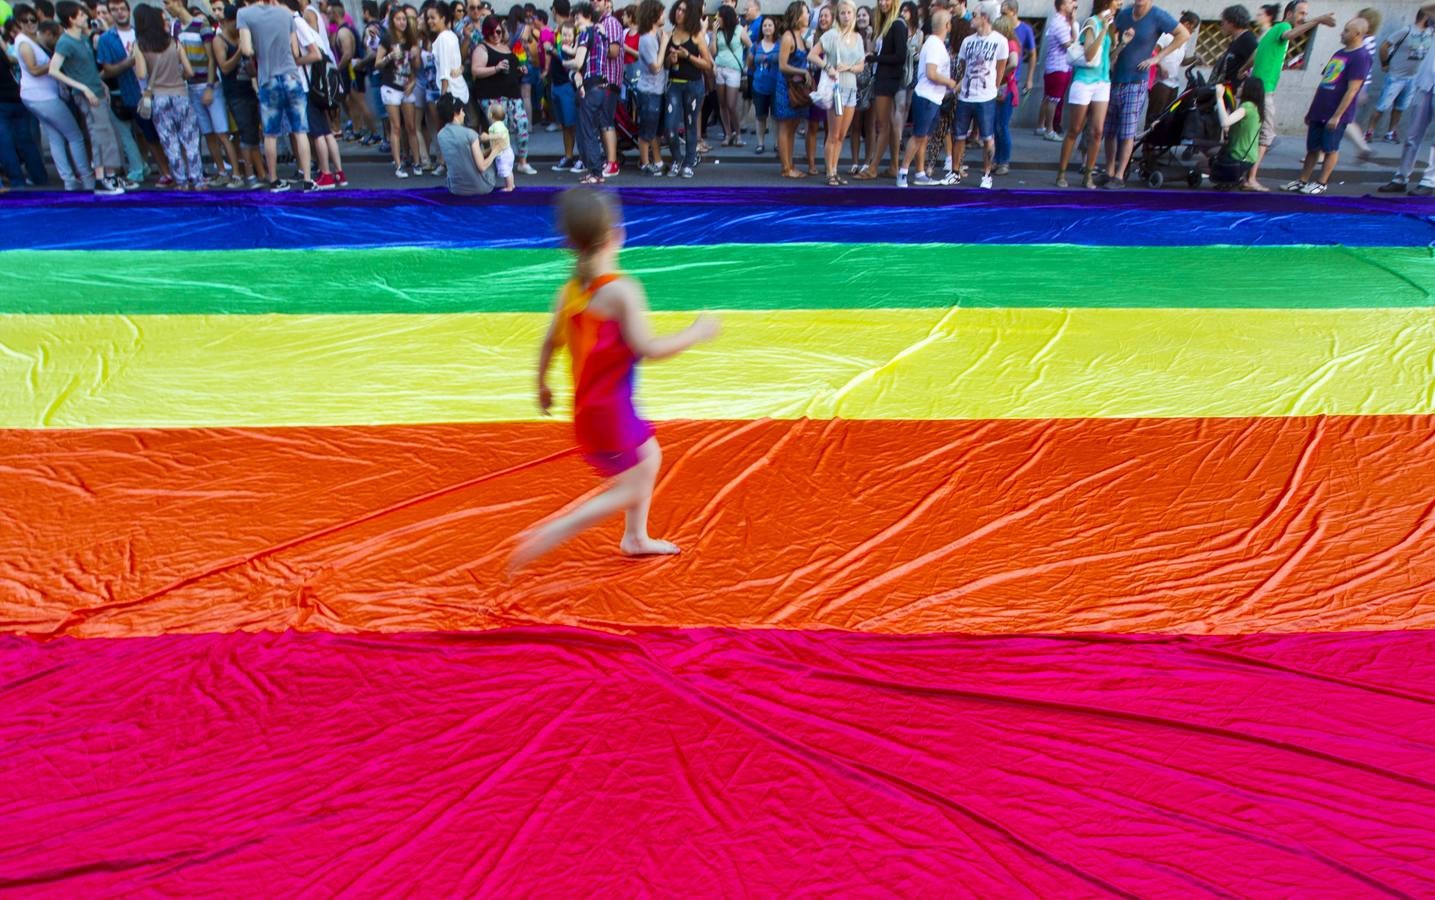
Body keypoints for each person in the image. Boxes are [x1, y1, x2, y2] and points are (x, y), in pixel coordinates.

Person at [510, 187, 720, 572]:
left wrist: (541, 387)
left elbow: (548, 344)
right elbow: (648, 348)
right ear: (616, 235)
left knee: (650, 456)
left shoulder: (570, 292)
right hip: (610, 411)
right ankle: (558, 530)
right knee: (632, 485)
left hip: (590, 409)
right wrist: (697, 332)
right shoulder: (621, 292)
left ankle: (634, 537)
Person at [1244, 0, 1334, 190]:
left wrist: (1243, 69)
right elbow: (1290, 34)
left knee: (1252, 132)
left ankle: (1245, 175)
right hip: (1264, 90)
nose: (1303, 18)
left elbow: (1257, 52)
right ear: (1289, 13)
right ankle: (1250, 179)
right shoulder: (1283, 27)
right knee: (1266, 136)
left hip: (1256, 87)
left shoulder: (1274, 31)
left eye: (1306, 14)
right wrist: (1318, 20)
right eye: (1301, 13)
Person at [1101, 0, 1189, 188]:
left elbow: (1183, 34)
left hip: (1137, 80)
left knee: (1127, 131)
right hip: (1116, 78)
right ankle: (1109, 171)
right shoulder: (1124, 14)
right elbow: (1112, 34)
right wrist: (1115, 47)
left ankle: (1119, 174)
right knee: (1109, 129)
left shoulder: (1157, 15)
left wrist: (1157, 58)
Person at [1283, 15, 1369, 194]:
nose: (1342, 33)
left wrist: (1337, 116)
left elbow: (1352, 90)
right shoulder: (1339, 54)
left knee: (1330, 148)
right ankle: (1303, 180)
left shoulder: (1361, 57)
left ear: (1357, 33)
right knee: (1312, 147)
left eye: (1346, 31)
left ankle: (1322, 182)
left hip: (1335, 113)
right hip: (1320, 109)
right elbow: (1325, 82)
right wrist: (1312, 110)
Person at [49, 0, 129, 193]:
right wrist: (82, 88)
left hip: (97, 91)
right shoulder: (65, 42)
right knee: (99, 135)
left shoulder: (82, 38)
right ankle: (101, 179)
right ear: (71, 18)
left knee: (108, 135)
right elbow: (54, 70)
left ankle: (110, 175)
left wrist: (100, 83)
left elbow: (88, 67)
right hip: (87, 95)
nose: (86, 17)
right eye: (81, 14)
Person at [238, 0, 316, 191]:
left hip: (268, 78)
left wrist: (260, 46)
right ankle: (307, 179)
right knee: (300, 130)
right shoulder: (285, 13)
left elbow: (247, 49)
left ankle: (273, 179)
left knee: (270, 133)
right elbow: (295, 50)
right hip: (290, 74)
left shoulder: (244, 14)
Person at [166, 0, 242, 186]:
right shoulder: (176, 28)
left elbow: (211, 59)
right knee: (208, 134)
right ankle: (222, 171)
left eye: (168, 3)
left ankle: (237, 174)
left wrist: (209, 86)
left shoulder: (202, 25)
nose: (166, 7)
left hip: (210, 86)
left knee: (222, 133)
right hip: (191, 87)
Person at [15, 9, 91, 190]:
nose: (30, 23)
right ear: (18, 23)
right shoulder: (24, 43)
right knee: (75, 136)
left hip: (38, 96)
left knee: (56, 137)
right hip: (42, 97)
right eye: (25, 21)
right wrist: (54, 63)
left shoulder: (30, 40)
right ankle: (87, 178)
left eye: (33, 20)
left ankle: (69, 181)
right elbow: (33, 70)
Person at [133, 2, 206, 188]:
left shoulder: (140, 45)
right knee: (190, 139)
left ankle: (181, 181)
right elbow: (189, 71)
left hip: (159, 97)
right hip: (181, 94)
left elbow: (141, 74)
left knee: (170, 142)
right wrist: (177, 74)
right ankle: (197, 179)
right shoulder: (174, 42)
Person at [1055, 0, 1114, 187]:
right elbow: (1089, 55)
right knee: (1075, 129)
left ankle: (1088, 174)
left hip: (1103, 82)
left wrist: (1122, 44)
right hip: (1084, 81)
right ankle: (1061, 173)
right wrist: (1103, 30)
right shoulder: (1092, 23)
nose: (1120, 2)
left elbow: (1108, 57)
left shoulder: (1111, 24)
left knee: (1097, 132)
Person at [1378, 3, 1435, 193]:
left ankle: (1429, 181)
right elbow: (1426, 7)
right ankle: (1401, 177)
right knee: (1412, 135)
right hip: (1426, 83)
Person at [897, 7, 954, 185]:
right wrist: (951, 83)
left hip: (932, 98)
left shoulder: (933, 43)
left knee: (924, 136)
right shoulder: (935, 45)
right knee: (919, 136)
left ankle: (920, 173)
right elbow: (931, 73)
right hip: (927, 97)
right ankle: (903, 173)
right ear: (947, 25)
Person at [950, 0, 1005, 188]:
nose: (971, 18)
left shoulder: (999, 41)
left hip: (986, 96)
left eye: (975, 15)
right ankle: (955, 172)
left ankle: (987, 174)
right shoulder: (967, 41)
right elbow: (964, 68)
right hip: (966, 95)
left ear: (985, 18)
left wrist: (993, 89)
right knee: (959, 135)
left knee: (987, 137)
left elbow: (1001, 68)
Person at [660, 0, 711, 177]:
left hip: (693, 85)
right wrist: (670, 60)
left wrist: (687, 55)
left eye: (683, 10)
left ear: (689, 14)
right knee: (670, 126)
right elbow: (665, 65)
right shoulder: (669, 34)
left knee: (690, 124)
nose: (679, 12)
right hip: (674, 84)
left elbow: (708, 64)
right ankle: (676, 159)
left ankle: (688, 162)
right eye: (678, 9)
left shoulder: (696, 35)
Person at [215, 4, 263, 186]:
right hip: (234, 94)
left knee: (253, 133)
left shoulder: (241, 37)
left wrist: (252, 68)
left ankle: (260, 173)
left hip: (248, 90)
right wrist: (238, 52)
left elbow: (250, 70)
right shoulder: (219, 40)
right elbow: (225, 67)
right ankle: (249, 175)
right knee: (245, 134)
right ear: (229, 21)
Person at [814, 0, 862, 184]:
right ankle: (829, 172)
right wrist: (828, 67)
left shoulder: (857, 38)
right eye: (842, 13)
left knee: (842, 135)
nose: (846, 16)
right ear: (838, 15)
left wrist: (848, 67)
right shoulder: (831, 35)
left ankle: (835, 169)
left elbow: (861, 66)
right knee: (833, 134)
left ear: (853, 14)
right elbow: (813, 54)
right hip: (836, 89)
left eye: (849, 12)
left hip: (852, 88)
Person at [1367, 7, 1431, 143]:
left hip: (1413, 77)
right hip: (1395, 76)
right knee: (1382, 106)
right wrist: (1384, 64)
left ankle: (1391, 132)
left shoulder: (1430, 33)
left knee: (1400, 107)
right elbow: (1384, 46)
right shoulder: (1406, 31)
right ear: (1426, 16)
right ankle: (1369, 131)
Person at [0, 18, 48, 188]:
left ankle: (17, 181)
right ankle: (39, 177)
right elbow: (11, 61)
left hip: (3, 103)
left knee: (5, 143)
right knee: (25, 139)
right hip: (16, 96)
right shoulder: (3, 52)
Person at [861, 0, 906, 174]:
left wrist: (874, 59)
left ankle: (873, 168)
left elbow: (900, 56)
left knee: (883, 126)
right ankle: (893, 166)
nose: (882, 3)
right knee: (891, 125)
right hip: (885, 78)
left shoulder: (897, 24)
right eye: (880, 0)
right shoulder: (886, 23)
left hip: (889, 80)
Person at [434, 90, 499, 192]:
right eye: (462, 111)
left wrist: (490, 149)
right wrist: (495, 151)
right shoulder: (470, 134)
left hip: (455, 189)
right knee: (492, 163)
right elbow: (482, 167)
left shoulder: (440, 135)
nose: (464, 114)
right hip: (481, 187)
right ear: (456, 113)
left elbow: (463, 157)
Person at [774, 0, 810, 177]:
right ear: (798, 15)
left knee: (792, 127)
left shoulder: (800, 36)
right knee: (785, 126)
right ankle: (785, 168)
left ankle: (790, 165)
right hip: (786, 87)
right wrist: (803, 71)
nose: (808, 15)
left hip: (796, 88)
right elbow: (782, 65)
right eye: (806, 12)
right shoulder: (789, 36)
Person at [1210, 74, 1262, 186]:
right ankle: (1231, 178)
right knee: (1214, 152)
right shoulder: (1255, 107)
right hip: (1248, 157)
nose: (1238, 88)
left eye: (1242, 87)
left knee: (1202, 164)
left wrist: (1219, 98)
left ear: (1248, 91)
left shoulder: (1247, 107)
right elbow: (1229, 127)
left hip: (1239, 157)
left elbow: (1225, 122)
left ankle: (1229, 178)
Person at [1147, 9, 1196, 124]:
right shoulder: (1166, 36)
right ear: (1187, 24)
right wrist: (1160, 66)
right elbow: (1152, 53)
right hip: (1160, 82)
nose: (1193, 31)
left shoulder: (1183, 41)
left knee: (1166, 117)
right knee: (1154, 115)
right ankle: (1147, 141)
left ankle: (1157, 141)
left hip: (1173, 84)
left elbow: (1183, 62)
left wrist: (1195, 58)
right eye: (1193, 27)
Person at [633, 0, 664, 173]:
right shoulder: (647, 39)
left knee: (653, 129)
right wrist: (665, 44)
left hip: (655, 90)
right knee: (646, 129)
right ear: (653, 15)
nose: (664, 16)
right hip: (649, 90)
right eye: (661, 13)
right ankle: (645, 163)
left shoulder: (653, 36)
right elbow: (655, 67)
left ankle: (655, 161)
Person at [1037, 0, 1077, 139]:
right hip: (1059, 66)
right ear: (1062, 5)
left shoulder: (1059, 21)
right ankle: (1049, 130)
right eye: (1070, 2)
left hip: (1055, 66)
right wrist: (1073, 26)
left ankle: (1041, 126)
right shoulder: (1060, 24)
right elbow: (1070, 45)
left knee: (1048, 97)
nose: (1073, 5)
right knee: (1054, 99)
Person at [711, 3, 748, 145]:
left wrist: (746, 64)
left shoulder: (739, 30)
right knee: (722, 104)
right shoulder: (718, 32)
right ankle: (728, 133)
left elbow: (750, 45)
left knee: (731, 104)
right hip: (720, 68)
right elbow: (712, 52)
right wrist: (714, 35)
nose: (717, 18)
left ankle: (738, 133)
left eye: (719, 16)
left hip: (734, 70)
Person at [991, 12, 1021, 175]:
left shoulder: (1010, 44)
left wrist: (1000, 75)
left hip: (1006, 88)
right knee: (997, 126)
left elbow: (1014, 62)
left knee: (1001, 126)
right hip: (1001, 87)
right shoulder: (1006, 43)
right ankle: (998, 159)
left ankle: (1004, 162)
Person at [749, 13, 777, 152]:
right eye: (765, 25)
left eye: (770, 25)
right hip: (759, 86)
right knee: (760, 116)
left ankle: (777, 144)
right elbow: (750, 64)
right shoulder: (755, 45)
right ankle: (760, 143)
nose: (767, 28)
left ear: (774, 27)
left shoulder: (780, 44)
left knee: (776, 117)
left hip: (776, 87)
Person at [1211, 4, 1256, 85]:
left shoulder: (1248, 40)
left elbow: (1257, 56)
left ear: (1232, 22)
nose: (1221, 25)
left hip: (1236, 93)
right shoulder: (1236, 40)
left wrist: (1243, 70)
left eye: (1223, 22)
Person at [481, 97, 515, 187]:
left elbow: (500, 135)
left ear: (491, 115)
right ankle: (511, 185)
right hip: (505, 151)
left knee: (506, 170)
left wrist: (488, 137)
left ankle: (509, 187)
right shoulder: (499, 124)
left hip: (504, 152)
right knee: (507, 170)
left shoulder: (497, 125)